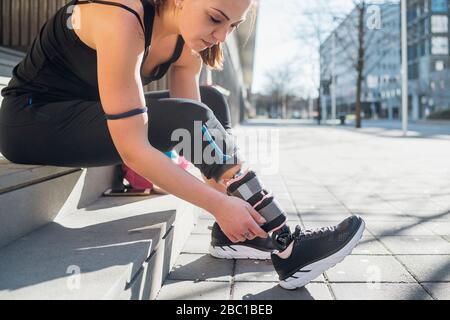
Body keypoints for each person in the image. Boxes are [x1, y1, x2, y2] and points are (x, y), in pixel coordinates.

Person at [0, 0, 365, 290]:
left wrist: (227, 203)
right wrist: (218, 203)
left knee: (213, 102)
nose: (221, 36)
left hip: (89, 116)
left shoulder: (186, 44)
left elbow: (198, 129)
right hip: (30, 122)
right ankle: (287, 243)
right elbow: (135, 148)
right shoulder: (121, 15)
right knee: (192, 115)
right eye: (215, 19)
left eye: (232, 27)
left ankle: (234, 235)